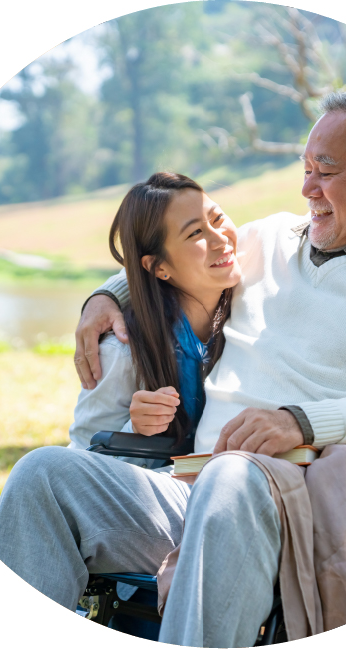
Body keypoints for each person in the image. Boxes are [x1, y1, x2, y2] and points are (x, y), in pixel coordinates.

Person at [0, 83, 346, 647]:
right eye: (305, 169)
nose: (307, 188)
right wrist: (107, 296)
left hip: (305, 503)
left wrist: (301, 422)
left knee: (233, 477)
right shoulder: (271, 239)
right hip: (189, 487)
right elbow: (178, 257)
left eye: (326, 172)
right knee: (42, 475)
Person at [63, 173, 238, 471]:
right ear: (159, 267)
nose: (220, 239)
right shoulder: (122, 350)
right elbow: (81, 466)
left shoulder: (253, 298)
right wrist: (136, 430)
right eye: (195, 233)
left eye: (218, 218)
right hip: (160, 492)